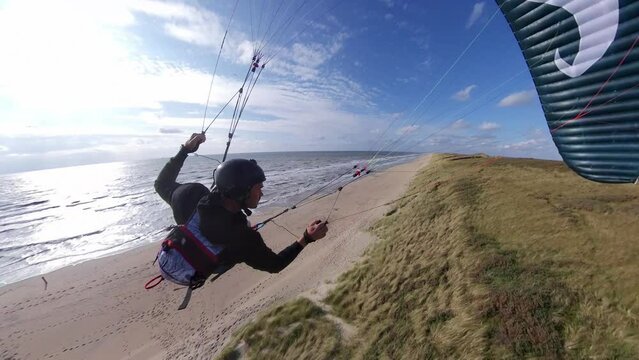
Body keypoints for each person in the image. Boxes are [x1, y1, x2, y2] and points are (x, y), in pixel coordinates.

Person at [154, 133, 328, 275]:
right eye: (258, 188)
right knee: (235, 247)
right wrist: (307, 237)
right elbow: (275, 265)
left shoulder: (190, 196)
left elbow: (161, 184)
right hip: (217, 264)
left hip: (186, 245)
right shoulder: (244, 239)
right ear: (241, 192)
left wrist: (185, 150)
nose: (262, 193)